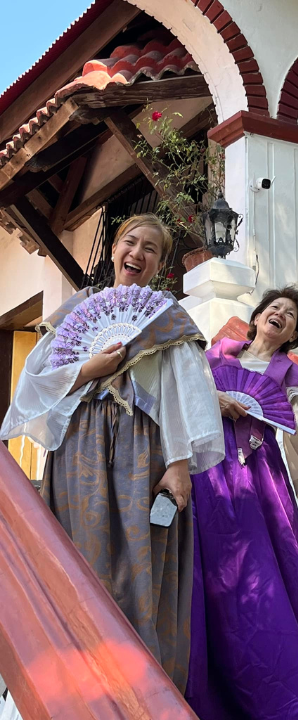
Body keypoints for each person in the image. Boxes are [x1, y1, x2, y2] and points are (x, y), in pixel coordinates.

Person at [0, 214, 223, 690]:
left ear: (160, 265)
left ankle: (135, 692)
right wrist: (87, 368)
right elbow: (32, 389)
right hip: (78, 452)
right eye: (130, 242)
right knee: (79, 557)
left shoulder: (165, 315)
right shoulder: (76, 310)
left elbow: (183, 394)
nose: (137, 254)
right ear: (114, 250)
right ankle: (71, 685)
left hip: (144, 454)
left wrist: (180, 466)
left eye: (150, 249)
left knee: (138, 567)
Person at [185, 286, 298, 720]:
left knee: (260, 570)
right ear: (258, 315)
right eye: (274, 308)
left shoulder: (291, 377)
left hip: (259, 476)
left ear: (293, 334)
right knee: (210, 569)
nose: (280, 315)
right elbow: (184, 397)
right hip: (207, 468)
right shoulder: (216, 355)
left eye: (290, 315)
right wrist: (216, 398)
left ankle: (281, 690)